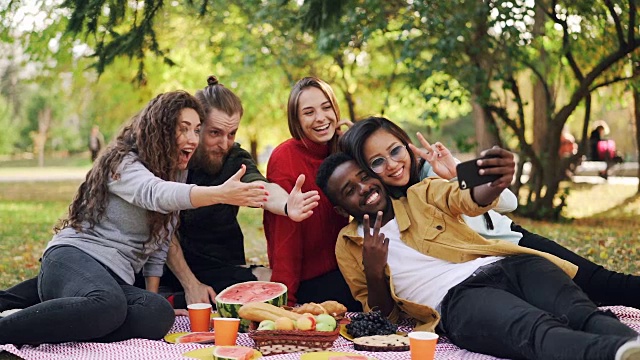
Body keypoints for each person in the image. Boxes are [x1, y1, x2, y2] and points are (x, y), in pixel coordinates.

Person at [0, 90, 269, 345]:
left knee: (157, 314)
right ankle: (9, 330)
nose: (193, 138)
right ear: (162, 130)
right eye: (183, 128)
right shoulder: (123, 163)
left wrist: (148, 298)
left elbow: (160, 242)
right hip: (75, 257)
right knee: (107, 304)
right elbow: (154, 194)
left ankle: (62, 318)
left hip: (113, 281)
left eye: (197, 129)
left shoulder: (175, 173)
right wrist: (220, 193)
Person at [316, 151, 640, 360]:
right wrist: (374, 272)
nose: (363, 188)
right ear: (341, 208)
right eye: (349, 190)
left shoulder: (420, 194)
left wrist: (494, 183)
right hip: (458, 300)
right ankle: (615, 353)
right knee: (535, 330)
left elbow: (465, 198)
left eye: (363, 177)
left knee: (582, 314)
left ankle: (626, 346)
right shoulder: (349, 245)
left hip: (512, 265)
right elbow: (383, 319)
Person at [339, 116, 640, 308]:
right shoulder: (388, 207)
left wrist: (455, 171)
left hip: (510, 241)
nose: (392, 164)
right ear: (366, 170)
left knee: (604, 283)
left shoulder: (431, 171)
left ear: (406, 145)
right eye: (377, 162)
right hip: (487, 273)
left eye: (395, 151)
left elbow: (508, 203)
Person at [159, 76, 320, 308]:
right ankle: (174, 298)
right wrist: (190, 284)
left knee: (274, 285)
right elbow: (163, 233)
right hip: (175, 266)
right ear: (196, 127)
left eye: (232, 133)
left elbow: (262, 188)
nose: (225, 143)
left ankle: (183, 299)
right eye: (215, 133)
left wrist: (287, 205)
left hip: (223, 266)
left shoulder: (235, 157)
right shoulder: (174, 160)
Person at [263, 76, 360, 309]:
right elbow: (285, 235)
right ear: (296, 119)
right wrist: (285, 302)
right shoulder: (285, 157)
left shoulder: (342, 149)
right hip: (312, 283)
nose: (320, 118)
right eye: (308, 112)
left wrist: (357, 142)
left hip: (352, 269)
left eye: (326, 108)